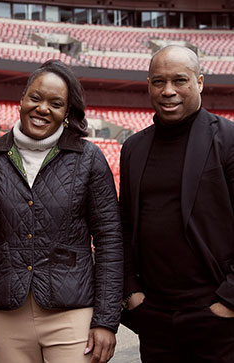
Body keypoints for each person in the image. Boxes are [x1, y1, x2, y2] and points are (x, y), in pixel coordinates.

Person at [0, 60, 123, 363]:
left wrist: (106, 320)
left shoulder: (90, 159)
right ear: (22, 99)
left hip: (71, 311)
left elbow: (110, 239)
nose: (43, 108)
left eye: (55, 103)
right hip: (4, 312)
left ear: (67, 112)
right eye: (35, 98)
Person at [119, 45, 234, 362]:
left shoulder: (228, 139)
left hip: (216, 316)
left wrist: (227, 303)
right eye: (158, 82)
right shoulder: (133, 147)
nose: (168, 91)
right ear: (148, 85)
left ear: (199, 82)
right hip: (155, 316)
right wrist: (132, 294)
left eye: (179, 80)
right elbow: (124, 225)